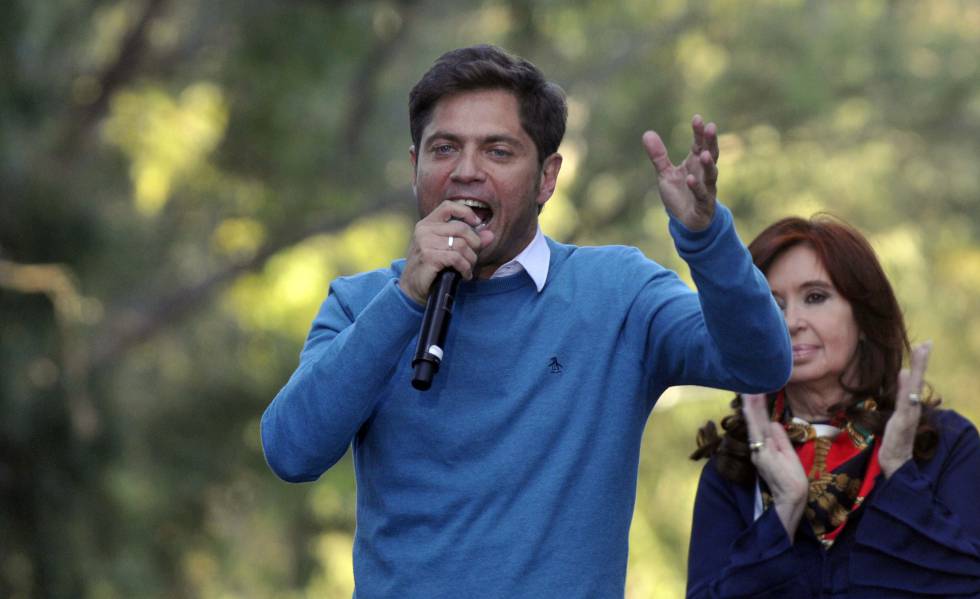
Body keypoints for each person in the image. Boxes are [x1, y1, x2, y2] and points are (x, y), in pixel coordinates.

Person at [261, 44, 792, 598]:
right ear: (415, 165)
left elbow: (761, 362)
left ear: (546, 178)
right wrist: (406, 300)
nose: (467, 171)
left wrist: (707, 239)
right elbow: (291, 451)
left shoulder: (618, 293)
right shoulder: (363, 304)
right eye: (444, 149)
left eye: (498, 151)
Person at [686, 215, 980, 598]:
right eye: (772, 304)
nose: (790, 322)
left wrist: (900, 477)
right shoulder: (736, 468)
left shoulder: (943, 445)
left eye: (815, 297)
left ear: (864, 315)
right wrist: (783, 513)